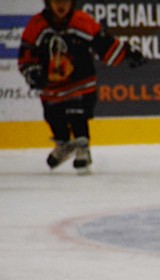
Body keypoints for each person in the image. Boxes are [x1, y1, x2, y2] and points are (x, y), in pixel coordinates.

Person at [17, 0, 146, 174]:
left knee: (77, 112)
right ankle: (64, 143)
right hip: (52, 85)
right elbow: (26, 54)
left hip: (81, 81)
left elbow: (104, 43)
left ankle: (82, 146)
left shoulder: (82, 21)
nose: (61, 5)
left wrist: (127, 54)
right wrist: (34, 73)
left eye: (65, 1)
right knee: (52, 115)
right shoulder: (37, 25)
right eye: (56, 1)